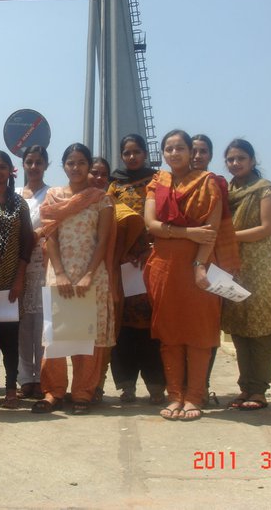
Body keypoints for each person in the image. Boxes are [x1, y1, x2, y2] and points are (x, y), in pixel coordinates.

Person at [144, 129, 226, 421]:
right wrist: (188, 232)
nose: (174, 153)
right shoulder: (158, 183)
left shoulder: (209, 183)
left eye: (180, 148)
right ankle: (174, 395)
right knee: (170, 333)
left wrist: (199, 266)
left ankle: (194, 397)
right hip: (164, 265)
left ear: (192, 152)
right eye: (169, 148)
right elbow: (151, 224)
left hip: (197, 265)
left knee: (199, 332)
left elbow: (212, 232)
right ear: (163, 154)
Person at [32, 143, 115, 415]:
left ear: (89, 165)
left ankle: (82, 393)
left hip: (92, 275)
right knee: (55, 335)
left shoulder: (101, 198)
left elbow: (103, 239)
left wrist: (89, 274)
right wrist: (59, 272)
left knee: (87, 336)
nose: (76, 167)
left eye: (81, 162)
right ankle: (53, 392)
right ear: (64, 166)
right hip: (60, 271)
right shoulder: (54, 197)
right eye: (71, 162)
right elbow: (50, 235)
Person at [221, 139, 271, 411]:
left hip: (259, 265)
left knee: (259, 327)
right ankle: (245, 387)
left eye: (241, 158)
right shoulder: (228, 192)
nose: (235, 163)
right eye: (231, 159)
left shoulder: (264, 189)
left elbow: (266, 228)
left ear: (252, 160)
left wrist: (228, 236)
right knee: (239, 325)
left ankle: (259, 390)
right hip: (234, 265)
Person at [108, 134, 165, 405]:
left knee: (153, 325)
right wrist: (126, 252)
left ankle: (156, 385)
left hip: (153, 260)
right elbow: (110, 223)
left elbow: (166, 218)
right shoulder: (114, 186)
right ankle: (126, 386)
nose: (132, 157)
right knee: (123, 325)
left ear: (145, 153)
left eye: (136, 152)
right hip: (124, 264)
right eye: (127, 153)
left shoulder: (159, 182)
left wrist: (148, 250)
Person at [190, 134, 241, 406]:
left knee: (206, 328)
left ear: (210, 156)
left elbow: (219, 226)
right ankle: (183, 388)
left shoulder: (216, 183)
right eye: (193, 151)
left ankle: (202, 385)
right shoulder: (173, 184)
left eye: (203, 152)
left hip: (210, 263)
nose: (197, 156)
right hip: (179, 264)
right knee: (181, 328)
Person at [0, 151, 34, 407]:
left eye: (2, 167)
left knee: (10, 339)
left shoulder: (20, 203)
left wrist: (19, 279)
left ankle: (11, 387)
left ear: (10, 171)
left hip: (11, 278)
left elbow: (27, 243)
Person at [15, 145, 50, 399]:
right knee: (22, 324)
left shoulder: (54, 194)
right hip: (18, 265)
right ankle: (26, 378)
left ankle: (43, 377)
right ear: (23, 165)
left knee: (42, 324)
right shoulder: (15, 195)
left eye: (39, 162)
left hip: (44, 263)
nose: (34, 167)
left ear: (45, 165)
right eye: (30, 162)